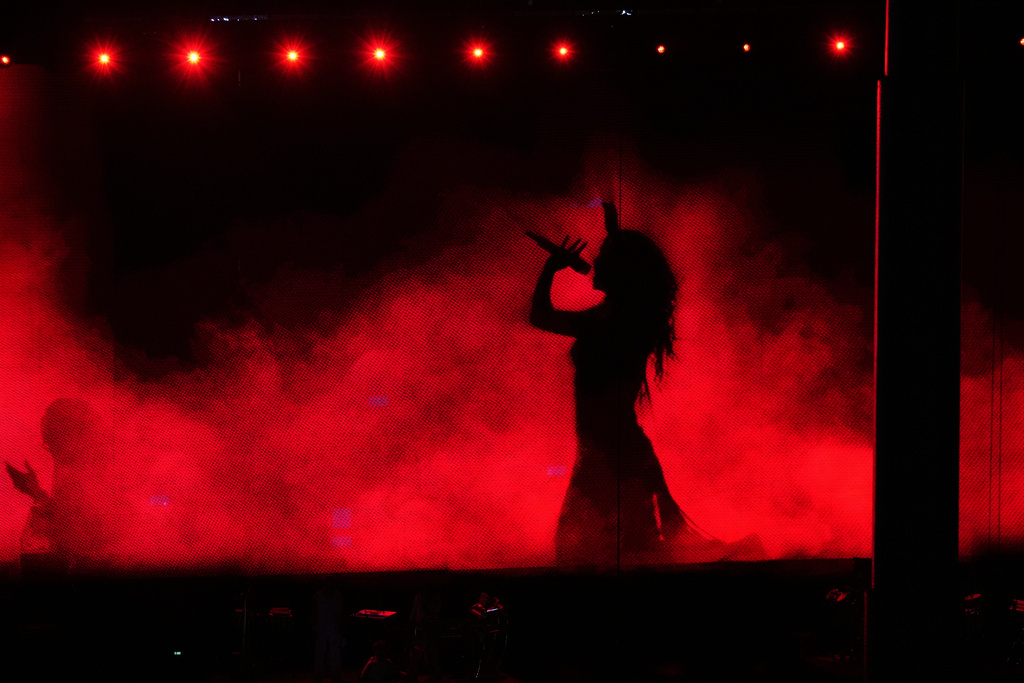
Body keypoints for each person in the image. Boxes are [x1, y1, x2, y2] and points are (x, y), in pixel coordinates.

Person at [530, 201, 715, 565]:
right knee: (619, 554)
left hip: (610, 453)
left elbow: (540, 316)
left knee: (594, 555)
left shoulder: (614, 323)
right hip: (611, 450)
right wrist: (613, 231)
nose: (594, 263)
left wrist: (552, 268)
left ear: (620, 272)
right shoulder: (620, 318)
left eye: (603, 257)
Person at [5, 398, 111, 577]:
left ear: (76, 435)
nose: (49, 447)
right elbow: (65, 517)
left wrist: (34, 491)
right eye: (48, 441)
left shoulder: (90, 473)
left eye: (54, 439)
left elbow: (78, 533)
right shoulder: (71, 467)